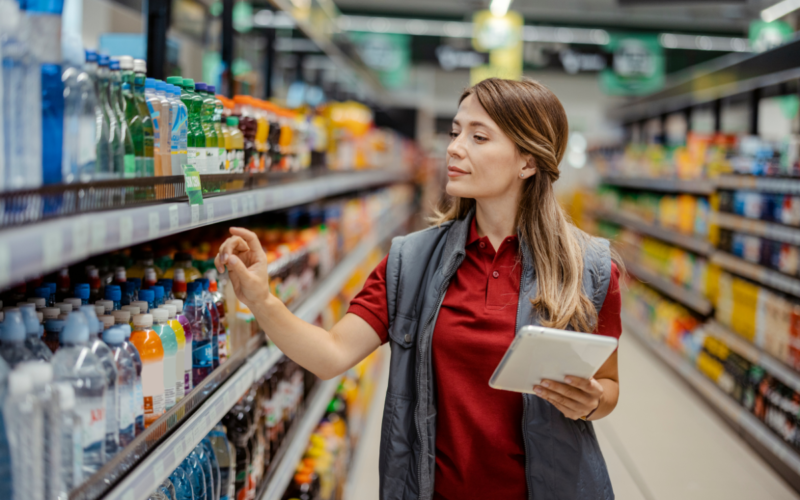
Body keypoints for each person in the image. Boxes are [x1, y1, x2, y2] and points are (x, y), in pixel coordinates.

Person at [215, 77, 622, 500]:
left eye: (478, 136)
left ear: (528, 161)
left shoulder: (586, 268)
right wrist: (261, 299)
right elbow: (330, 354)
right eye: (455, 132)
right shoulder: (411, 261)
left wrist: (591, 402)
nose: (454, 147)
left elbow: (608, 386)